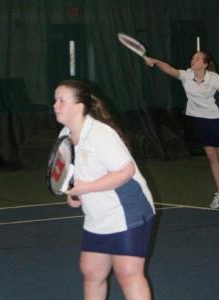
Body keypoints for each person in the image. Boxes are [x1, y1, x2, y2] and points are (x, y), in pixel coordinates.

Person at [53, 80, 155, 300]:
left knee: (128, 274)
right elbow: (73, 176)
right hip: (97, 215)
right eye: (55, 100)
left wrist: (85, 187)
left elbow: (125, 172)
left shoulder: (100, 134)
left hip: (128, 211)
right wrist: (75, 194)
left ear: (79, 106)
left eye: (62, 100)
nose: (56, 105)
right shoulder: (64, 136)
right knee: (92, 271)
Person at [145, 51, 219, 212]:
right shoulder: (186, 75)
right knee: (212, 158)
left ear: (205, 64)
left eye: (197, 59)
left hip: (216, 121)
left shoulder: (213, 77)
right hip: (200, 121)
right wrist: (156, 61)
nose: (193, 60)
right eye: (192, 58)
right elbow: (169, 69)